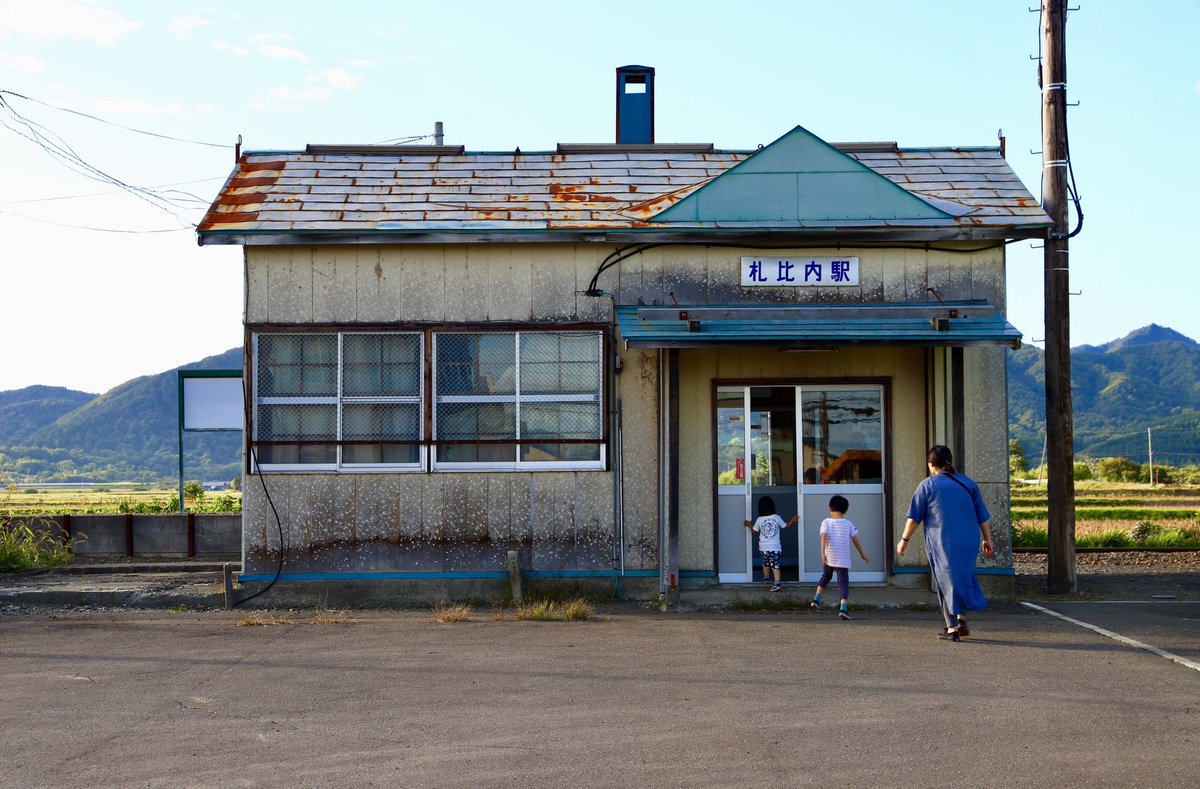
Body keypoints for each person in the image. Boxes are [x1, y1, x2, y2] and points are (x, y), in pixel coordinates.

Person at [897, 445, 994, 641]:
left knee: (944, 581)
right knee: (959, 577)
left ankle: (952, 627)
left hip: (942, 541)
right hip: (968, 541)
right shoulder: (969, 484)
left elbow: (914, 518)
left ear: (931, 465)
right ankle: (961, 618)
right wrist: (987, 539)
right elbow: (982, 516)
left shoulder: (927, 485)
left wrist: (904, 540)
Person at [811, 494, 869, 620]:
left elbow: (824, 537)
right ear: (846, 510)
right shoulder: (848, 523)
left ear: (829, 508)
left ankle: (816, 599)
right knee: (843, 582)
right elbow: (855, 540)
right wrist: (862, 554)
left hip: (829, 557)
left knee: (826, 576)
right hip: (842, 559)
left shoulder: (825, 522)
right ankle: (843, 608)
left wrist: (822, 553)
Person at [744, 495, 798, 591]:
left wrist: (749, 525)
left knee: (765, 563)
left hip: (763, 548)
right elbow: (786, 527)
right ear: (773, 507)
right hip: (775, 547)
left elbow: (754, 532)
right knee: (775, 565)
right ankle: (776, 583)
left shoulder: (760, 519)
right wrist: (792, 521)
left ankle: (766, 579)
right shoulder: (776, 517)